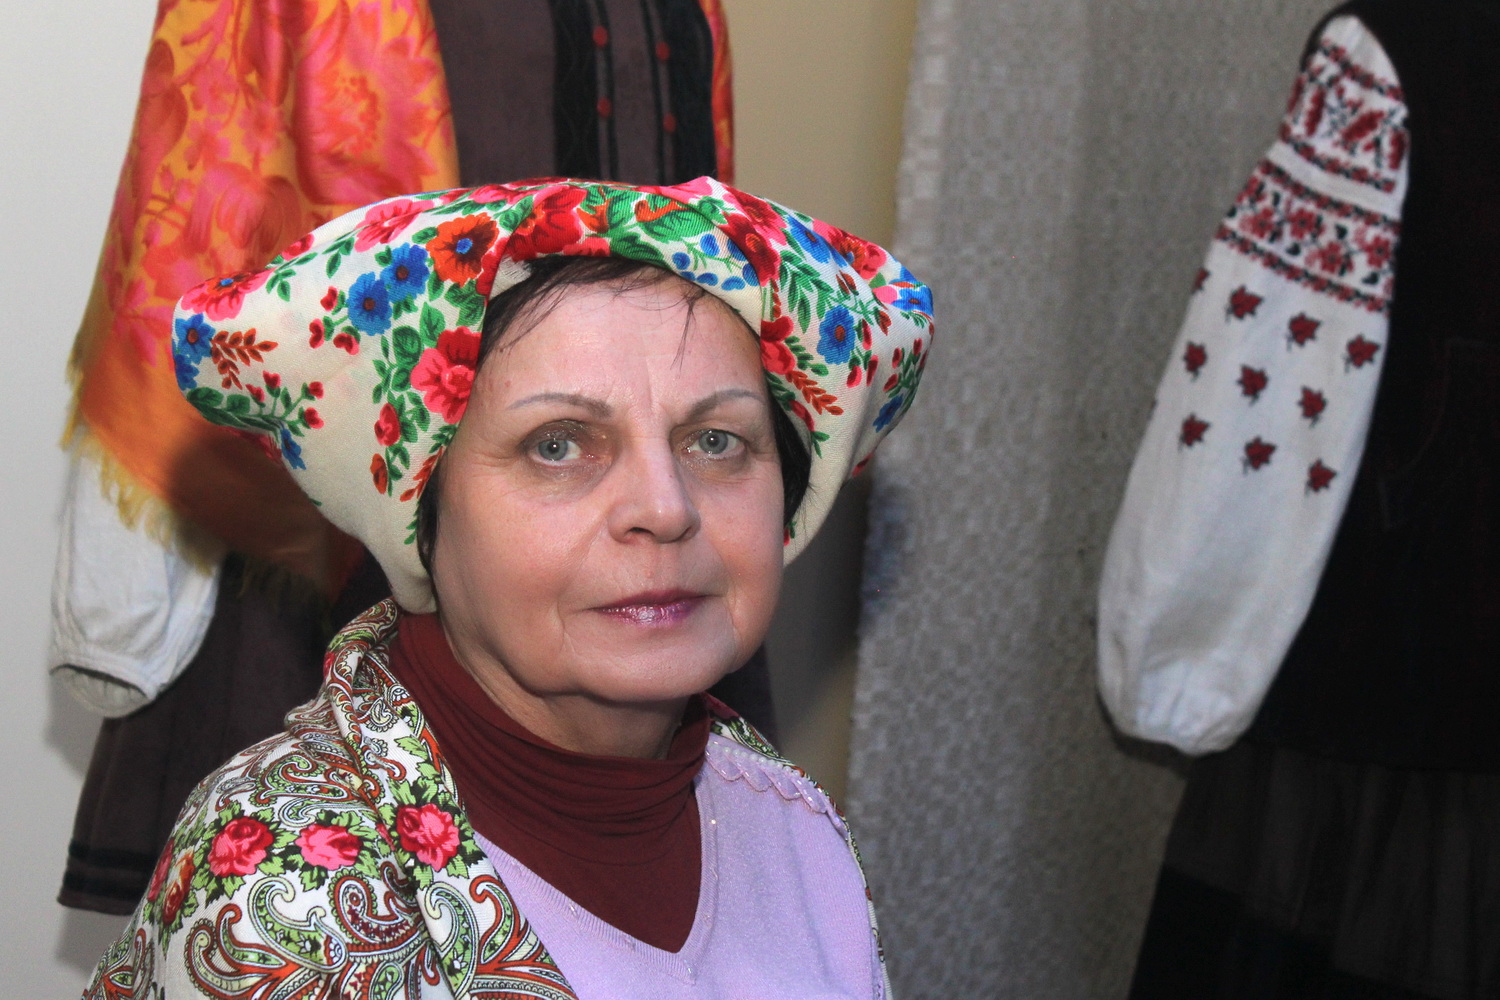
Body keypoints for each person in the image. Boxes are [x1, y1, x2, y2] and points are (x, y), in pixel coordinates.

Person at [84, 176, 933, 999]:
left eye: (717, 441)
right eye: (557, 445)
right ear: (420, 510)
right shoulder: (285, 894)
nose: (665, 509)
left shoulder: (793, 827)